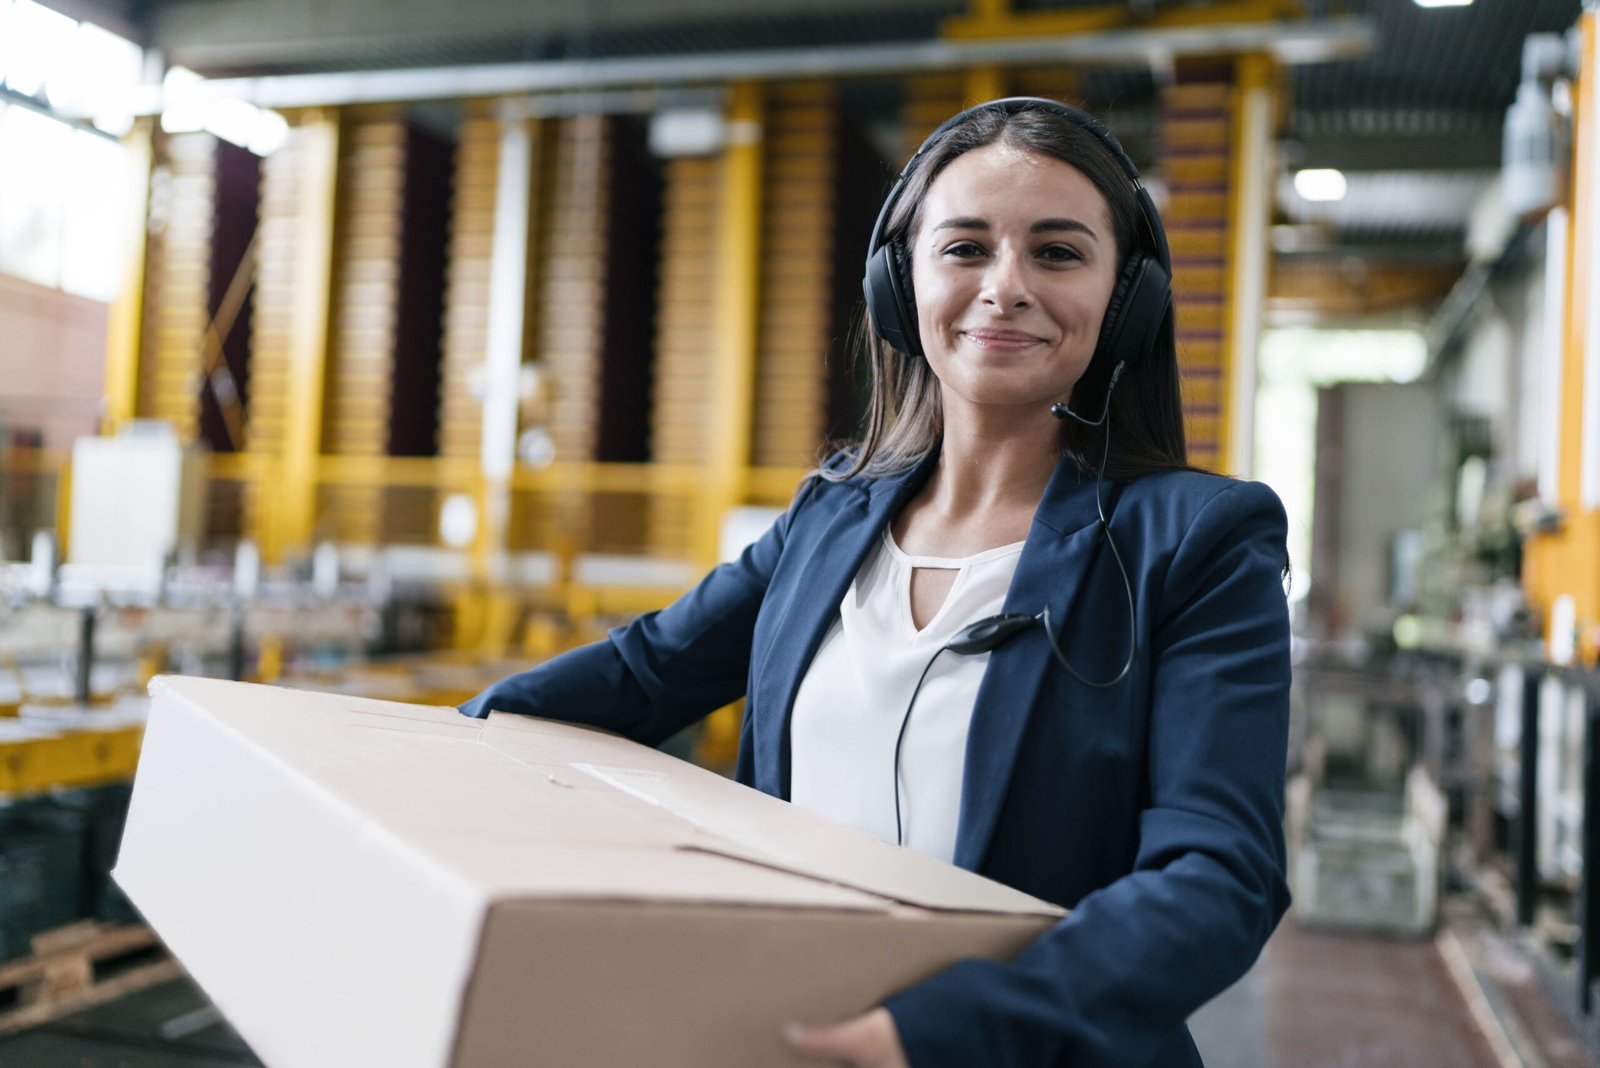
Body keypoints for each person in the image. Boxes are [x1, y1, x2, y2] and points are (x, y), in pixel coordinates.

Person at [460, 97, 1292, 1068]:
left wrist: (940, 1033)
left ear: (1126, 298)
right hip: (783, 1036)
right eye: (965, 248)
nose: (1005, 287)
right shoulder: (828, 520)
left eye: (1058, 253)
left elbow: (1216, 876)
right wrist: (439, 748)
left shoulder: (1197, 545)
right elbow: (642, 677)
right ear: (900, 284)